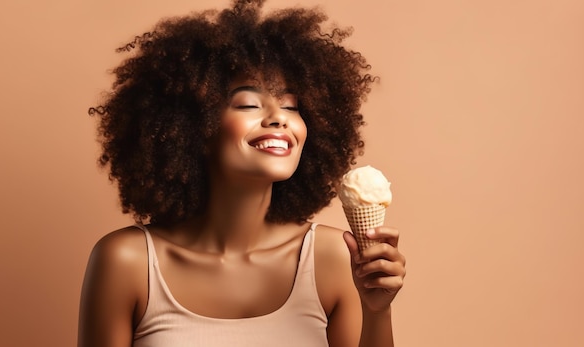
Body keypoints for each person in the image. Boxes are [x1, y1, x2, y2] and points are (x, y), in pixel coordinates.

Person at [78, 0, 406, 346]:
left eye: (291, 106)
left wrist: (377, 311)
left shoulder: (334, 256)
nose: (279, 117)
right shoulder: (126, 261)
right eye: (249, 104)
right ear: (193, 126)